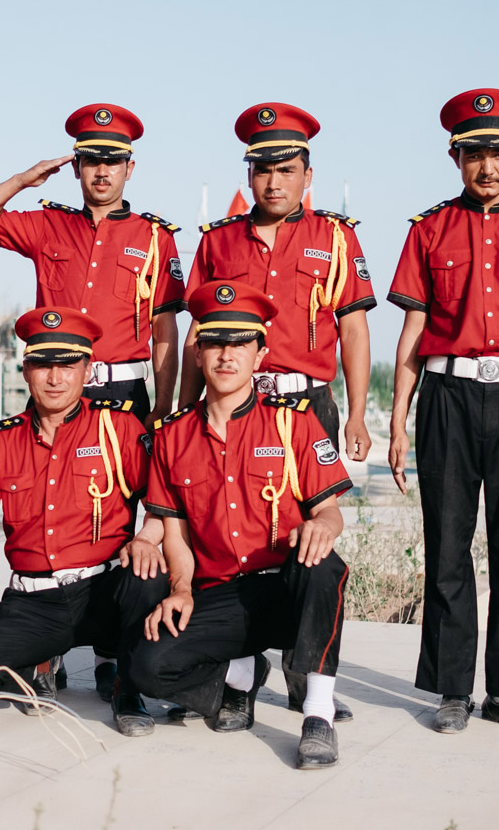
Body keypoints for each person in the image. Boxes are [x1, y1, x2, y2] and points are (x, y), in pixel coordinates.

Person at [385, 88, 499, 734]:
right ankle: (451, 691)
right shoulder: (428, 231)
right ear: (455, 157)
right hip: (448, 399)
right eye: (473, 154)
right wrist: (397, 420)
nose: (486, 166)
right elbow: (412, 332)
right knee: (447, 547)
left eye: (498, 152)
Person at [177, 102, 373, 721]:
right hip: (234, 402)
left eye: (286, 169)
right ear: (249, 174)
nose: (273, 181)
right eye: (262, 169)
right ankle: (239, 666)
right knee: (229, 533)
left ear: (307, 175)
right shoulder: (217, 240)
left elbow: (354, 329)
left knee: (309, 541)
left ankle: (305, 678)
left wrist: (358, 413)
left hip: (309, 402)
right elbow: (197, 334)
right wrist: (183, 411)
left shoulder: (335, 238)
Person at [124, 282, 354, 769]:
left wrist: (323, 527)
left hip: (284, 590)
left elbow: (330, 511)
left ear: (260, 355)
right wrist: (180, 589)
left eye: (241, 344)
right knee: (146, 667)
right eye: (215, 343)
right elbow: (175, 533)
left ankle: (317, 714)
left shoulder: (294, 423)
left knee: (321, 564)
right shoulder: (171, 437)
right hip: (220, 594)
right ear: (198, 352)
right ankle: (240, 676)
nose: (227, 355)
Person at [0, 308, 170, 736]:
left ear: (88, 370)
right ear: (26, 370)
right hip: (36, 602)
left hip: (103, 592)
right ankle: (39, 661)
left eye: (67, 365)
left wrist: (145, 538)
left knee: (148, 576)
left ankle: (127, 689)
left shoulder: (118, 428)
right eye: (43, 365)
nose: (55, 378)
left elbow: (163, 504)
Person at [0, 104, 185, 424]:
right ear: (76, 167)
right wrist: (22, 180)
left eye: (112, 162)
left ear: (129, 168)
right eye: (91, 161)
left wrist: (162, 405)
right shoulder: (48, 225)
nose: (102, 172)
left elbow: (163, 330)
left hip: (124, 394)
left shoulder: (154, 237)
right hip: (55, 389)